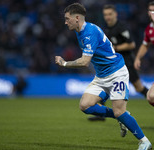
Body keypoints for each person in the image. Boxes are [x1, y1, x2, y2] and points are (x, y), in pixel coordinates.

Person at [55, 3, 152, 150]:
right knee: (85, 105)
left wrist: (64, 64)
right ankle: (121, 117)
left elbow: (85, 61)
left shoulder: (90, 31)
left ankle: (144, 141)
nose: (65, 22)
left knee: (120, 111)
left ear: (77, 18)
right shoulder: (78, 29)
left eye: (67, 19)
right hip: (101, 76)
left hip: (116, 74)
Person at [88, 4, 149, 121]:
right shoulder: (106, 29)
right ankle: (100, 114)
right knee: (105, 85)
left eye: (110, 14)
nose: (108, 17)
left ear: (115, 14)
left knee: (138, 87)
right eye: (105, 14)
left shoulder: (121, 27)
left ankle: (151, 99)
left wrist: (115, 47)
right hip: (113, 64)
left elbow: (131, 44)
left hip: (127, 62)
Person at [134, 1, 154, 106]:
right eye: (150, 10)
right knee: (150, 97)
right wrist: (138, 58)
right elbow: (145, 45)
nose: (152, 13)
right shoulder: (149, 29)